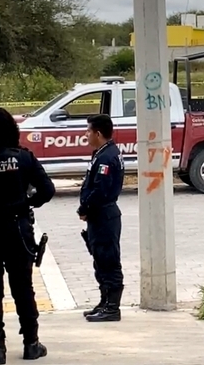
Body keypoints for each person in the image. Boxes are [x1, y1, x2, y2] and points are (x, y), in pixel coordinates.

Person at [0, 107, 55, 363]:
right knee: (23, 288)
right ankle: (31, 343)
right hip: (17, 229)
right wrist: (27, 203)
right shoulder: (23, 158)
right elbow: (47, 190)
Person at [78, 114, 125, 323]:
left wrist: (84, 207)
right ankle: (105, 302)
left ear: (98, 133)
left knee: (108, 261)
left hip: (104, 215)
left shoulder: (106, 157)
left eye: (88, 131)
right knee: (100, 261)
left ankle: (112, 308)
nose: (86, 135)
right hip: (100, 216)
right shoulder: (103, 152)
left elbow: (100, 190)